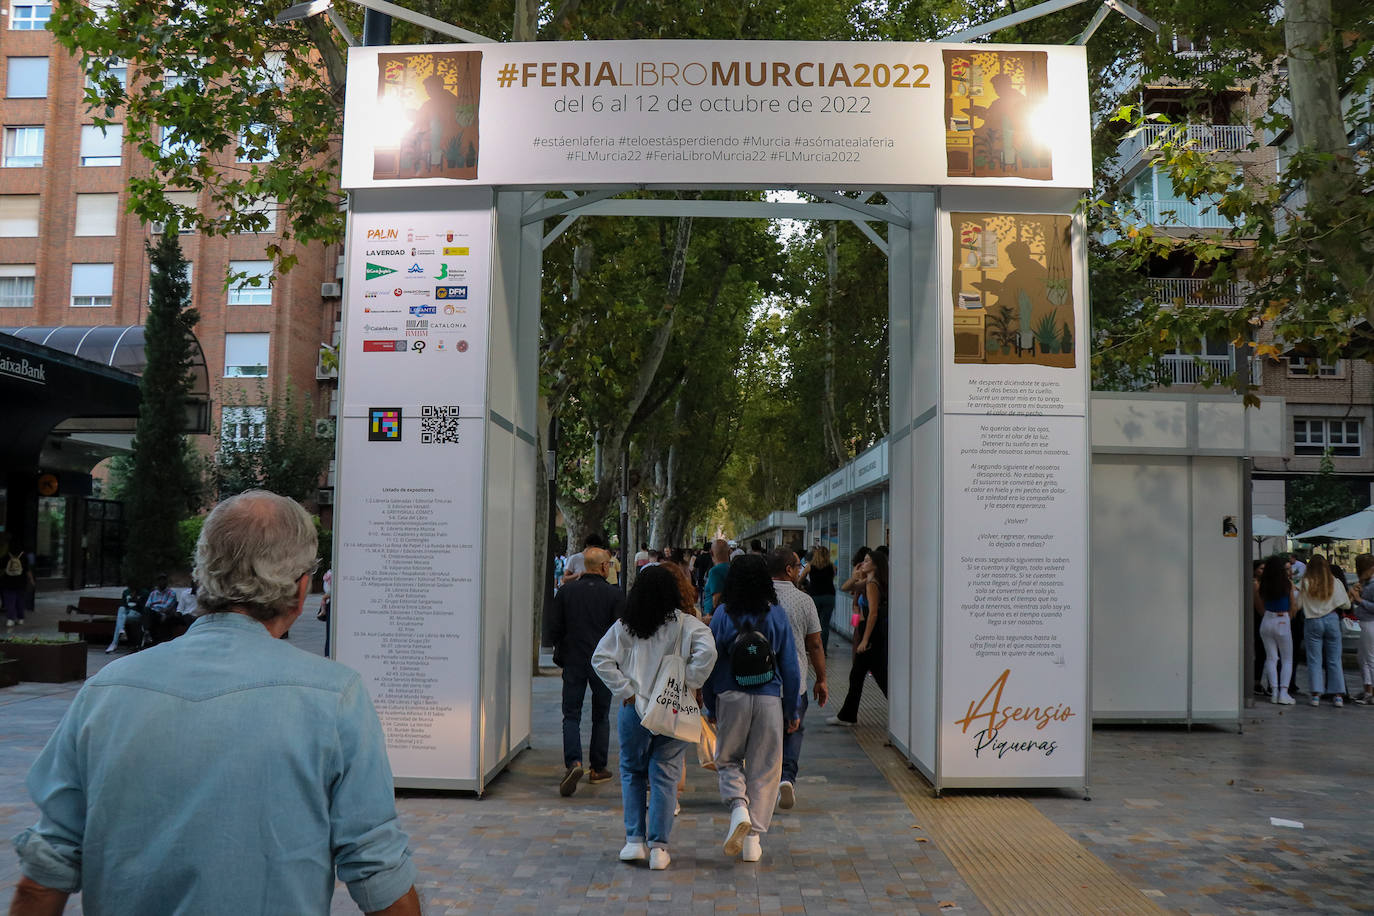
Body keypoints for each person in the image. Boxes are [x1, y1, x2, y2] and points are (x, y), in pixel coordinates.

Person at [14, 489, 420, 916]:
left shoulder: (106, 689)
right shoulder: (336, 697)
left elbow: (44, 874)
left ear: (203, 575)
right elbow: (376, 868)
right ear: (302, 591)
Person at [591, 565, 717, 871]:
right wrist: (690, 680)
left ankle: (634, 840)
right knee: (665, 775)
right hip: (672, 710)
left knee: (632, 772)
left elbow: (600, 659)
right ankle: (660, 848)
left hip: (634, 710)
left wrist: (626, 690)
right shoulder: (687, 625)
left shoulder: (626, 626)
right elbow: (709, 652)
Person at [702, 555, 801, 863]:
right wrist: (792, 709)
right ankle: (753, 841)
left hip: (730, 697)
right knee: (766, 766)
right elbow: (790, 666)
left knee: (728, 759)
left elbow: (710, 661)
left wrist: (709, 703)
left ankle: (738, 808)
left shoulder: (721, 614)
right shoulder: (777, 615)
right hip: (770, 698)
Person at [548, 546, 623, 797]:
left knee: (571, 714)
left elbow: (554, 628)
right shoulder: (614, 595)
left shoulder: (566, 592)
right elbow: (620, 633)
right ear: (603, 567)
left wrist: (561, 652)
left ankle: (574, 763)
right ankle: (598, 768)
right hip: (603, 663)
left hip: (574, 659)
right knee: (601, 715)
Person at [767, 548, 827, 810]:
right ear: (789, 570)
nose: (802, 569)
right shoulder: (804, 601)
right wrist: (821, 678)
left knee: (765, 735)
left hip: (761, 684)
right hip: (796, 682)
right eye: (798, 566)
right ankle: (787, 778)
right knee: (793, 729)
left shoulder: (757, 598)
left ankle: (762, 783)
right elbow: (815, 644)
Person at [829, 550, 891, 726]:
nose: (863, 563)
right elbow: (846, 587)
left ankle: (848, 716)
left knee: (872, 676)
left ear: (876, 565)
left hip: (871, 634)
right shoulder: (871, 581)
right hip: (873, 634)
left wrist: (864, 640)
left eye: (867, 561)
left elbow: (873, 614)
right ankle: (847, 716)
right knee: (861, 675)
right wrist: (855, 575)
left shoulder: (872, 584)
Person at [1296, 553, 1350, 707]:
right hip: (1332, 619)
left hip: (1312, 621)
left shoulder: (1305, 582)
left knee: (1314, 660)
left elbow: (1298, 604)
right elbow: (1345, 605)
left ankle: (1315, 695)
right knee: (1334, 659)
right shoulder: (1335, 581)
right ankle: (1338, 695)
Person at [1255, 556, 1297, 705]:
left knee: (1271, 658)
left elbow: (1261, 605)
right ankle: (1284, 692)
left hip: (1267, 620)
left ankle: (1274, 692)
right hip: (1282, 618)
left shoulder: (1263, 585)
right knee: (1287, 659)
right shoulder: (1287, 584)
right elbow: (1293, 605)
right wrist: (1289, 618)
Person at [798, 545, 837, 653]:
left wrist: (799, 587)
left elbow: (801, 579)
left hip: (815, 596)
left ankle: (813, 647)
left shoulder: (810, 566)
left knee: (814, 624)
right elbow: (832, 578)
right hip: (829, 596)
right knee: (825, 624)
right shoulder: (832, 566)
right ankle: (823, 649)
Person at [1348, 553, 1374, 705]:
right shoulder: (1366, 583)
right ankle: (1367, 690)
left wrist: (1359, 600)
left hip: (1370, 622)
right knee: (1362, 658)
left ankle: (1371, 692)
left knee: (1370, 659)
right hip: (1365, 622)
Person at [105, 582, 145, 654]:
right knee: (121, 609)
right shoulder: (126, 592)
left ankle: (114, 644)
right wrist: (128, 602)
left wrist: (135, 599)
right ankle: (121, 629)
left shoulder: (144, 592)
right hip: (127, 613)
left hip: (137, 614)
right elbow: (122, 604)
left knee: (121, 619)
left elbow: (144, 607)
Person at [1, 538, 33, 628]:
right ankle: (21, 618)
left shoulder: (7, 556)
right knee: (20, 601)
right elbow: (27, 570)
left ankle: (10, 619)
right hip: (21, 582)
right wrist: (31, 580)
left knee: (10, 601)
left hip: (8, 583)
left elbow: (2, 567)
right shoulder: (24, 556)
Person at [144, 573, 180, 644]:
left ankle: (146, 633)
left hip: (163, 614)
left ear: (166, 582)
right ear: (157, 582)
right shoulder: (153, 593)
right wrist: (157, 606)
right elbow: (147, 606)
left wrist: (154, 605)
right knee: (147, 612)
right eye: (160, 580)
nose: (162, 582)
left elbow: (166, 607)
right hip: (153, 614)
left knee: (149, 615)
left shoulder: (171, 593)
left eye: (164, 580)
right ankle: (147, 632)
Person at [703, 538, 731, 618]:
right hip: (726, 613)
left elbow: (716, 599)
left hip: (712, 615)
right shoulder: (732, 568)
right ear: (729, 552)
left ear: (711, 553)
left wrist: (709, 616)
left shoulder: (714, 571)